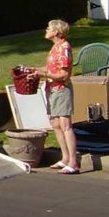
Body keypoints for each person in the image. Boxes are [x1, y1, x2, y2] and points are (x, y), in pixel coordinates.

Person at [33, 19, 79, 174]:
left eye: (49, 28)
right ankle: (65, 158)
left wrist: (44, 74)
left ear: (57, 32)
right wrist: (34, 70)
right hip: (51, 89)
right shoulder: (55, 47)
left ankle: (73, 162)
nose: (46, 30)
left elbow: (64, 74)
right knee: (56, 124)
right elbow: (50, 68)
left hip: (61, 89)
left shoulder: (64, 48)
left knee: (66, 126)